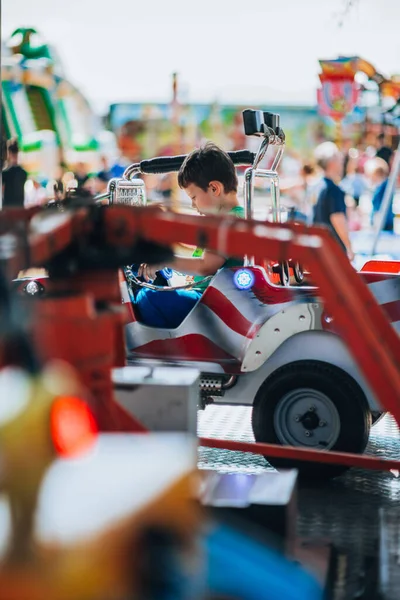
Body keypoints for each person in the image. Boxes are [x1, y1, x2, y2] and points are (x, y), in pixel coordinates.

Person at [135, 142, 244, 328]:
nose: (194, 205)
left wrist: (164, 260)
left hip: (208, 304)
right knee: (142, 270)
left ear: (214, 189)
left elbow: (204, 266)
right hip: (204, 295)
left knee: (147, 298)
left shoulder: (229, 222)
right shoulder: (227, 220)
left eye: (193, 197)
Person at [312, 142, 354, 260]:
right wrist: (349, 247)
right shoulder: (333, 190)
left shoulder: (315, 186)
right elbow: (338, 219)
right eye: (340, 160)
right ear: (332, 163)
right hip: (333, 250)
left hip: (319, 247)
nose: (342, 164)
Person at [365, 157, 394, 231]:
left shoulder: (385, 186)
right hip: (381, 220)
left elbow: (378, 203)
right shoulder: (380, 186)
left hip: (384, 221)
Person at [2, 139, 27, 208]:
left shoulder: (5, 173)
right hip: (20, 207)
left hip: (8, 209)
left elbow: (2, 190)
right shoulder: (23, 172)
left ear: (9, 153)